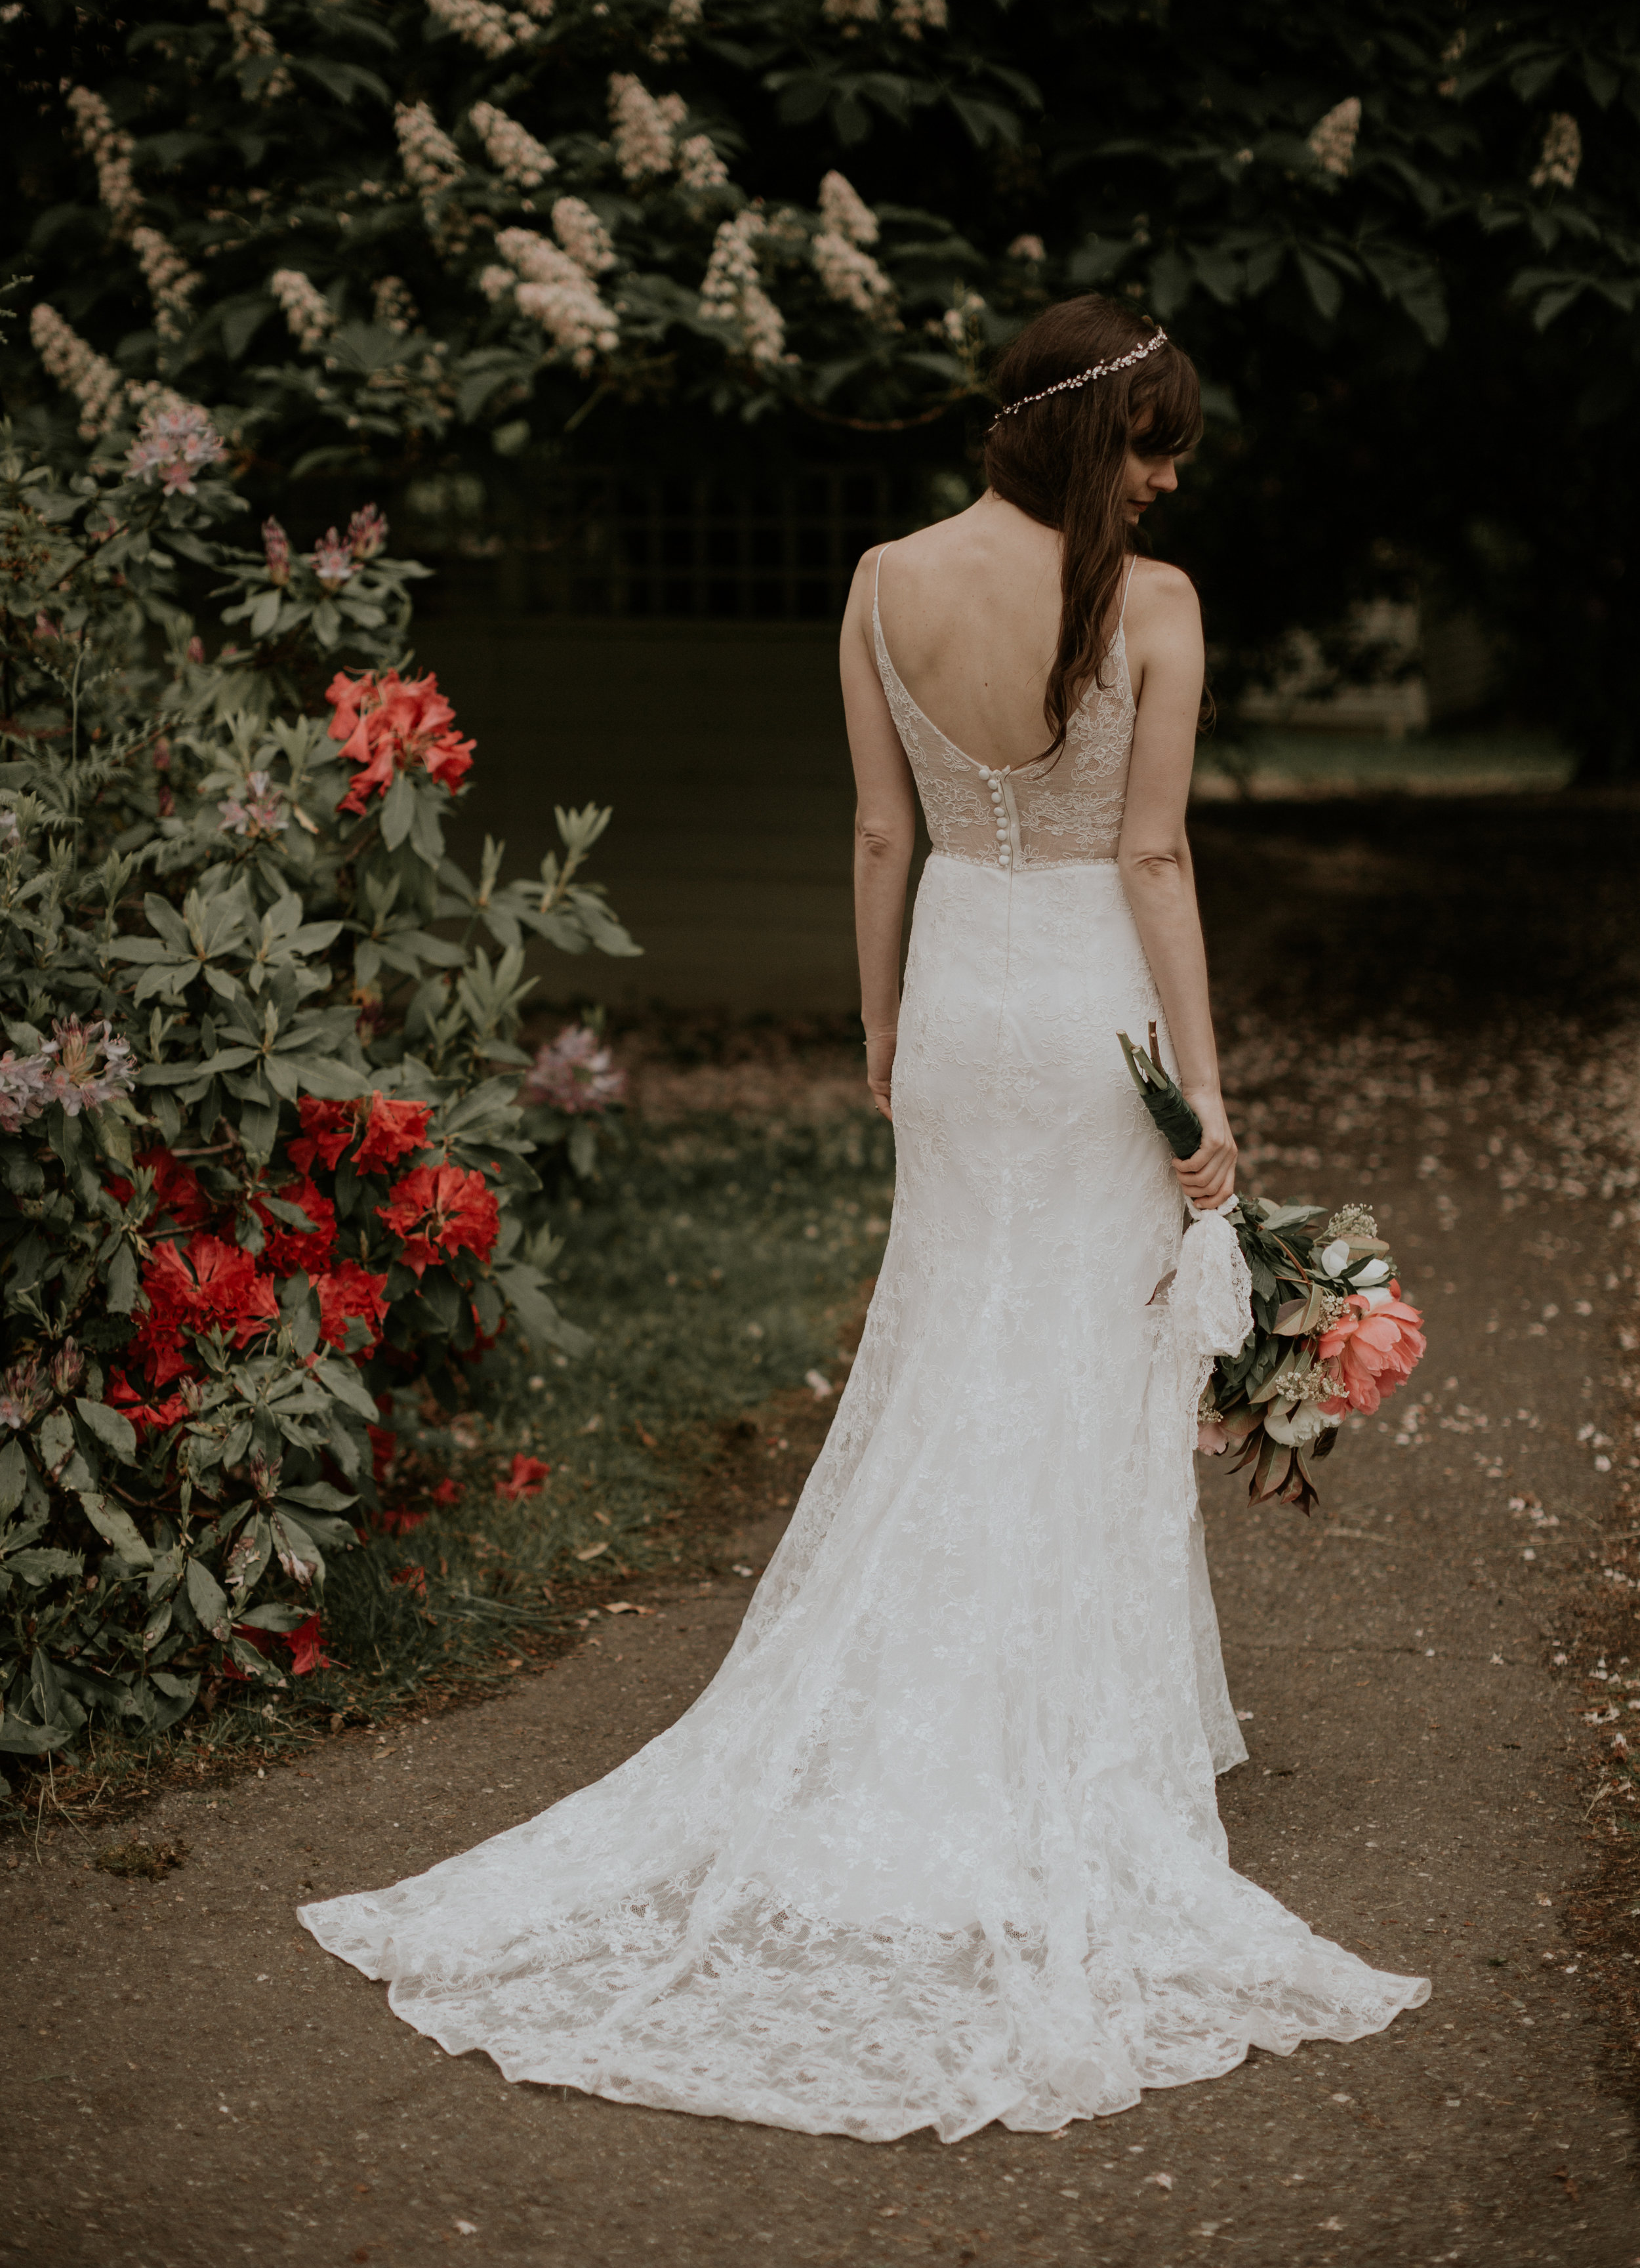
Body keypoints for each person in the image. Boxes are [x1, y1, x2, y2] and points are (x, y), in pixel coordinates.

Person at [299, 295, 1427, 2140]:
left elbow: (878, 833)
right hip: (1084, 1014)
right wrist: (1205, 1096)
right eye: (1153, 447)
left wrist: (879, 1017)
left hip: (967, 1007)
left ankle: (928, 1710)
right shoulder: (1151, 605)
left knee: (958, 1340)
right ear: (1092, 440)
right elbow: (1146, 854)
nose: (1164, 481)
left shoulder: (885, 577)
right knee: (1069, 1355)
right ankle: (1046, 1742)